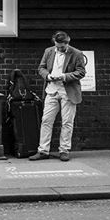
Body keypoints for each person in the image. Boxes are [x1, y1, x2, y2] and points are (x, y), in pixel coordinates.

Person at [29, 31, 86, 162]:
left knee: (67, 122)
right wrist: (48, 76)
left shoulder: (77, 53)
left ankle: (64, 150)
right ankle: (43, 151)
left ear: (68, 41)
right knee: (46, 121)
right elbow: (41, 68)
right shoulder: (49, 51)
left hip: (68, 92)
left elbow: (81, 72)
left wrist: (64, 76)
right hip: (51, 90)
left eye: (61, 47)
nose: (58, 49)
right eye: (57, 46)